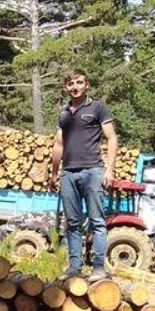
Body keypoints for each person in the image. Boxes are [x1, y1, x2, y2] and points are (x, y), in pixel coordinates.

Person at [49, 70, 117, 283]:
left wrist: (109, 169)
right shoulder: (63, 113)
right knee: (72, 222)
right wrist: (54, 173)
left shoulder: (98, 107)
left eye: (79, 82)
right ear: (65, 87)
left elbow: (112, 138)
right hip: (68, 172)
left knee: (97, 221)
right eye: (71, 83)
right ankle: (74, 267)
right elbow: (59, 144)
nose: (75, 87)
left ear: (87, 85)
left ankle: (98, 268)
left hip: (93, 171)